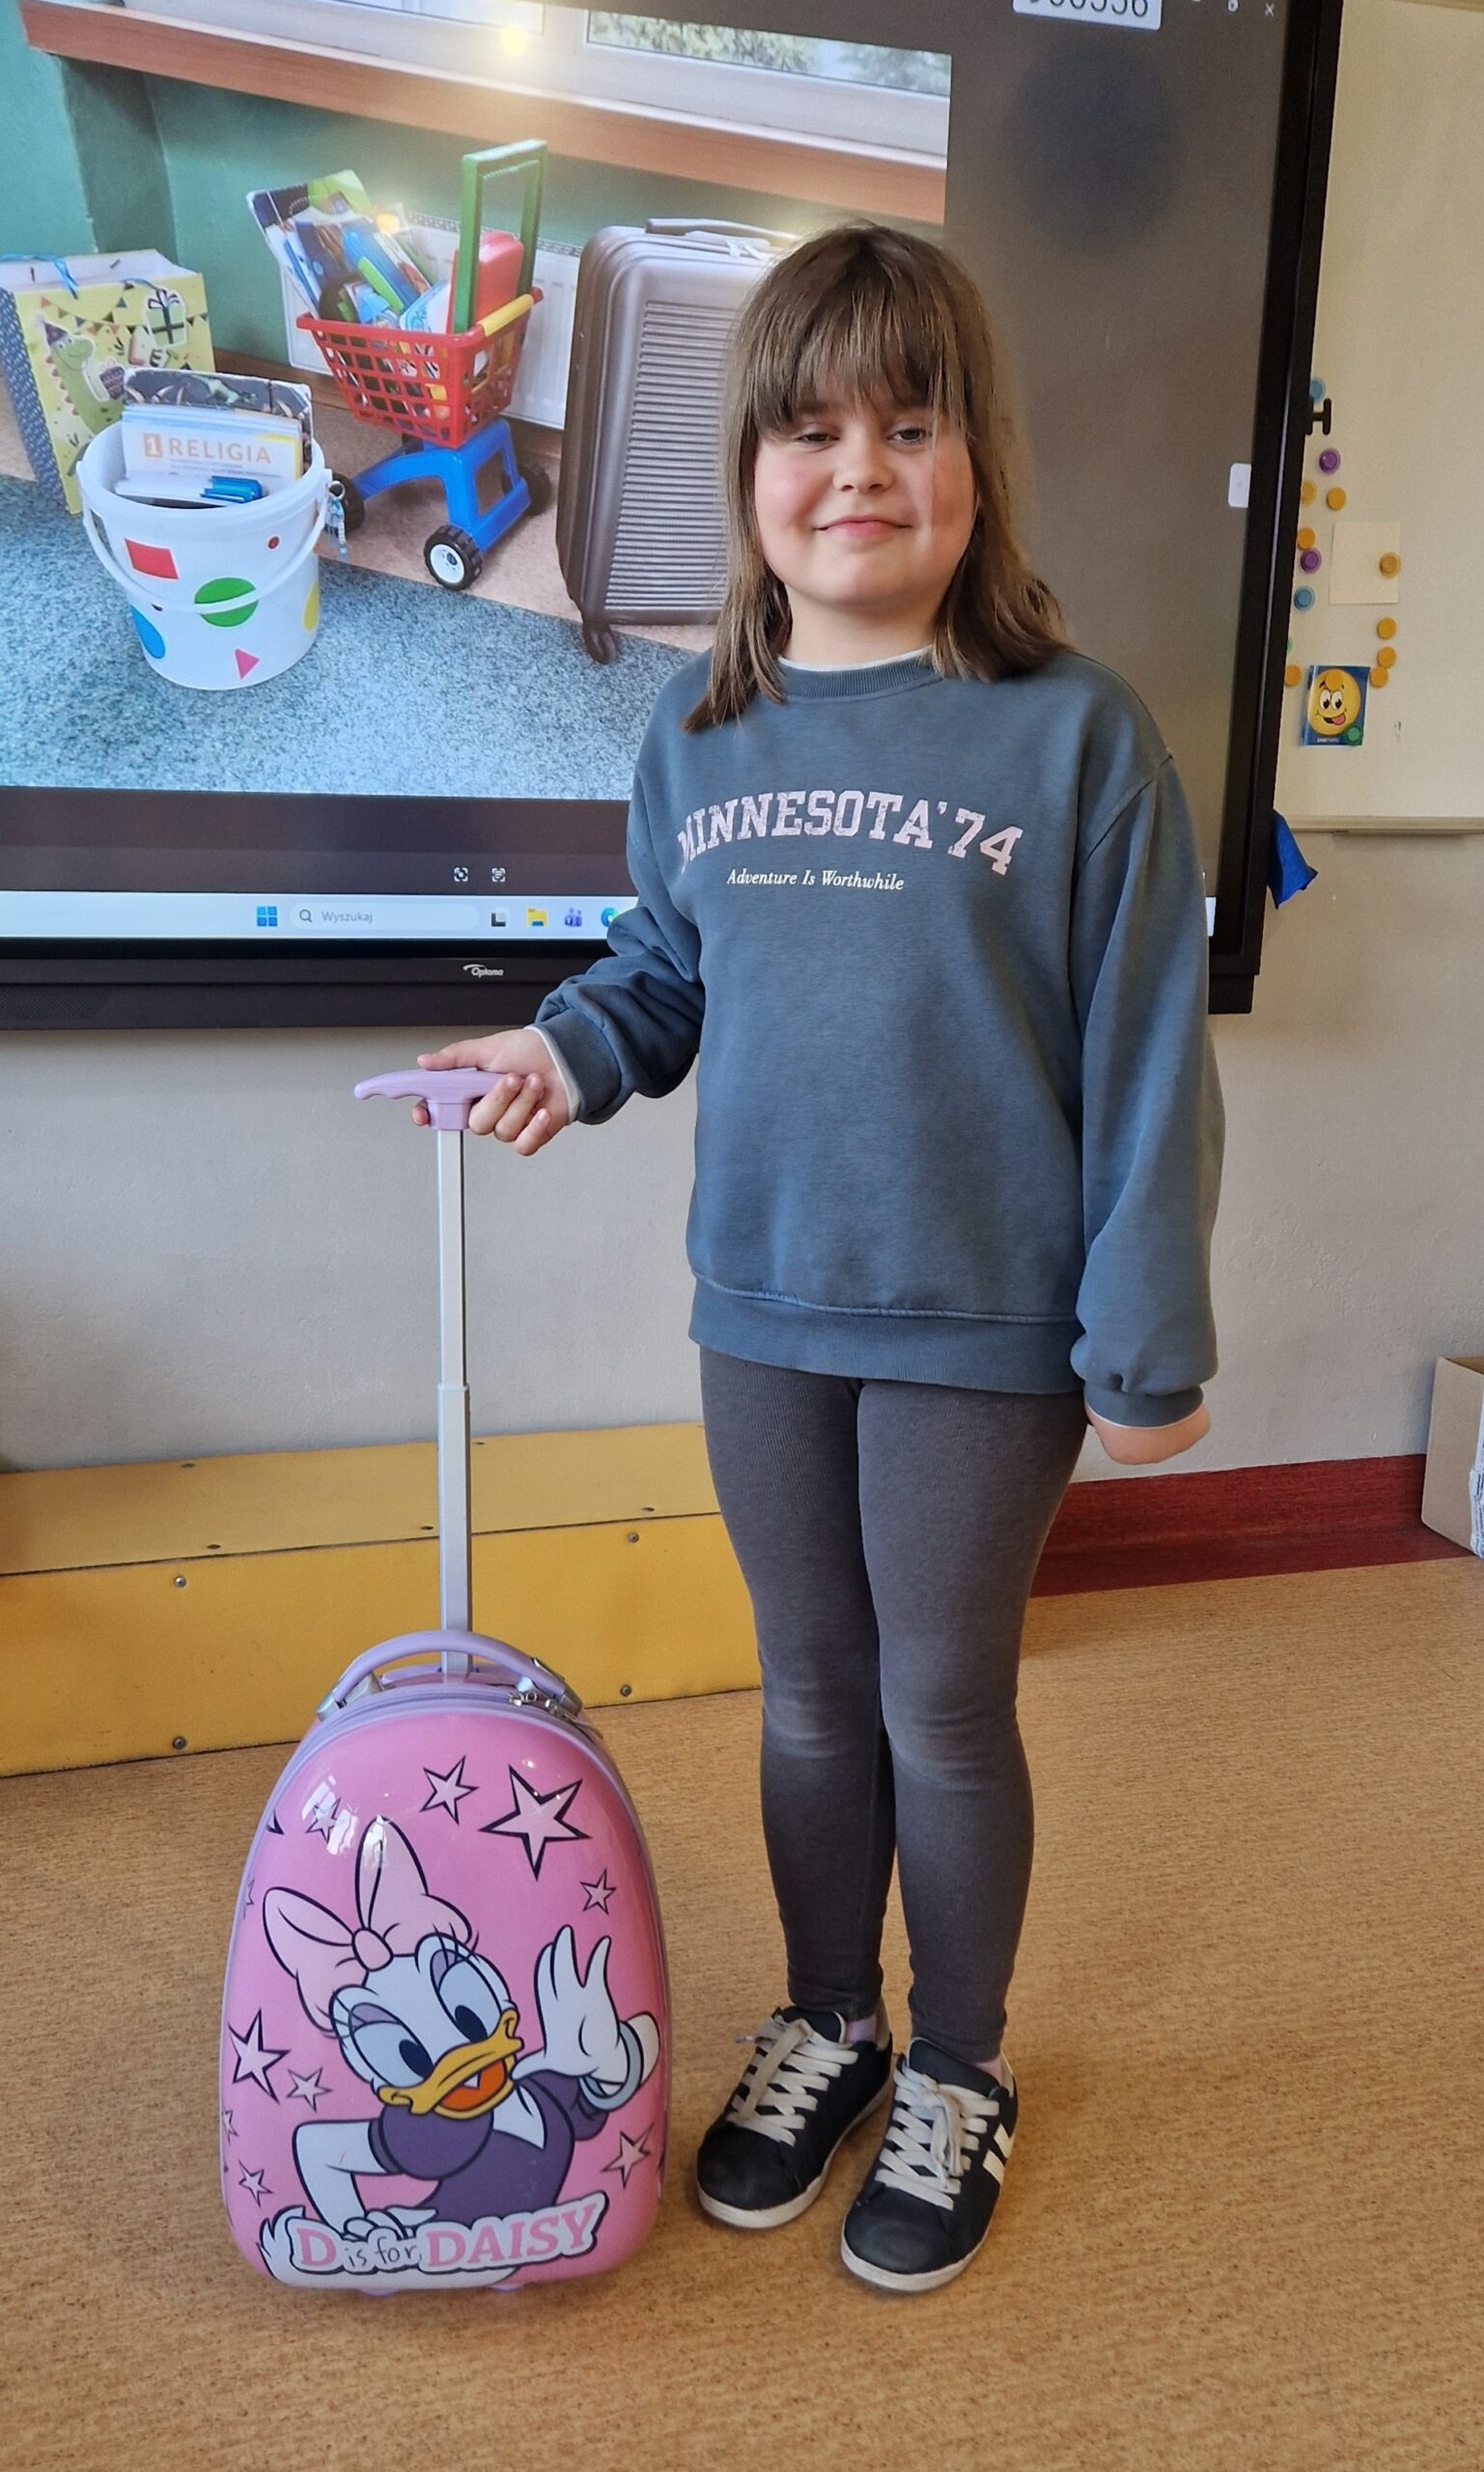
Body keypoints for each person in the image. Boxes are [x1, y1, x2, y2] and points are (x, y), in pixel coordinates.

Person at [414, 220, 1224, 2295]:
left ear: (977, 467)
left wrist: (1143, 1339)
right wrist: (560, 1050)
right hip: (763, 1311)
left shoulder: (1076, 736)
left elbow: (1147, 1057)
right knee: (806, 1697)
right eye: (810, 429)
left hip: (986, 1328)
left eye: (910, 424)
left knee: (938, 1706)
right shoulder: (702, 735)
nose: (858, 466)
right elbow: (664, 969)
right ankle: (829, 2020)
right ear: (749, 471)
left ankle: (957, 2062)